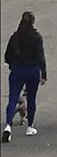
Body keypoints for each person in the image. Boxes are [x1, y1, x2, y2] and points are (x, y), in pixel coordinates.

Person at [3, 11, 47, 142]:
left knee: (12, 99)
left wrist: (13, 65)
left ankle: (8, 126)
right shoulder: (36, 37)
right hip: (32, 70)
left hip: (17, 70)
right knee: (31, 98)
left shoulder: (15, 37)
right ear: (33, 22)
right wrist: (44, 73)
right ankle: (30, 126)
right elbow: (40, 57)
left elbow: (7, 56)